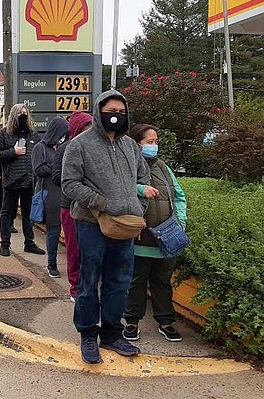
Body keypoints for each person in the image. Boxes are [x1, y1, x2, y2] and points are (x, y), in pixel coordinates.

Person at [61, 89, 150, 364]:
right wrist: (101, 202)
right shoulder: (80, 145)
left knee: (119, 282)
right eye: (111, 112)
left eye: (121, 113)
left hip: (125, 226)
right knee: (89, 280)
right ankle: (88, 334)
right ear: (99, 112)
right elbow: (69, 183)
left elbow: (143, 178)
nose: (116, 117)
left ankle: (112, 334)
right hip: (90, 224)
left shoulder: (131, 147)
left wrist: (138, 207)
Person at [123, 124, 187, 343]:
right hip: (140, 236)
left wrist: (180, 222)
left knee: (162, 282)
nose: (154, 146)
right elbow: (119, 190)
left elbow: (178, 195)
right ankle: (131, 322)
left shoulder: (162, 167)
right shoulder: (128, 166)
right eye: (149, 142)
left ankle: (165, 322)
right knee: (136, 282)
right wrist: (141, 189)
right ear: (136, 144)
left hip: (166, 237)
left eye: (156, 142)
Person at [0, 103, 44, 257]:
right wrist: (12, 151)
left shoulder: (33, 135)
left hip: (29, 181)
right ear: (14, 115)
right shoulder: (3, 134)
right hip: (11, 181)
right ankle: (5, 243)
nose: (23, 115)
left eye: (25, 112)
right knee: (7, 213)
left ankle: (29, 243)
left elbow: (39, 154)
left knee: (28, 214)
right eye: (20, 113)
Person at [53, 111, 93, 301]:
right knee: (74, 248)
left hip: (93, 208)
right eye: (87, 128)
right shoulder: (65, 148)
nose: (91, 131)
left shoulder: (97, 148)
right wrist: (76, 184)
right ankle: (75, 287)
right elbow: (56, 176)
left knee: (92, 249)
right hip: (70, 206)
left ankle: (91, 285)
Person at [32, 117, 69, 279]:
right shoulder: (40, 148)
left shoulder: (63, 147)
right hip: (49, 193)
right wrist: (58, 166)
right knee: (53, 230)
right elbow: (38, 169)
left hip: (65, 193)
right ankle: (51, 263)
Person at [0, 154, 18, 234]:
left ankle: (11, 223)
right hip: (2, 178)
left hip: (15, 178)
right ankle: (2, 224)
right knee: (4, 201)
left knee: (14, 202)